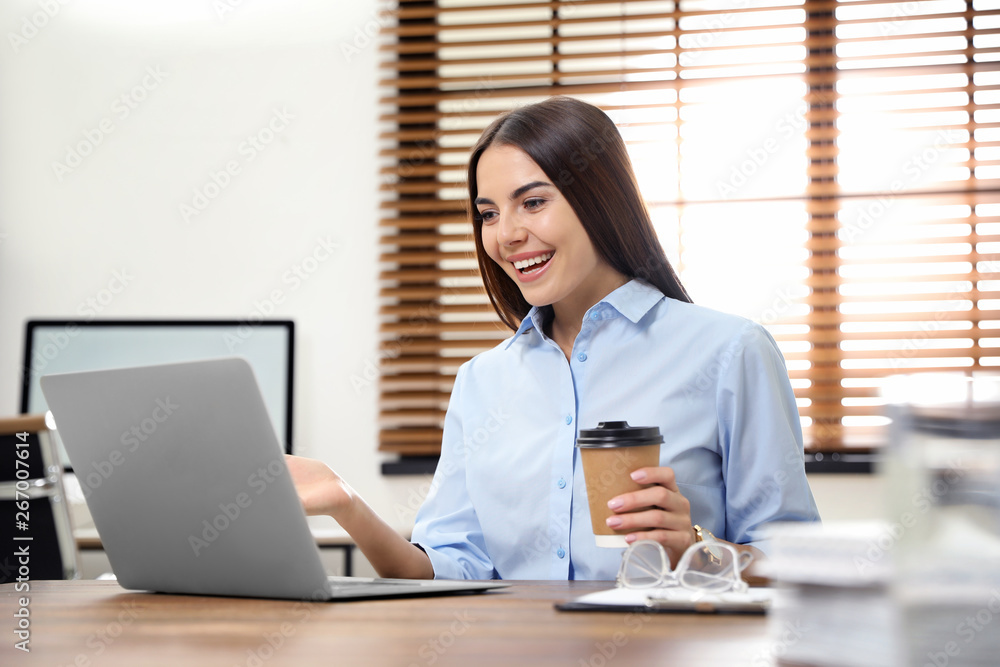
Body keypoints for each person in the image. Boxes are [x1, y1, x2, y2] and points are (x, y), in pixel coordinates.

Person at [287, 96, 820, 581]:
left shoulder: (730, 352)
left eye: (533, 202)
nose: (506, 234)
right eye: (488, 213)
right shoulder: (482, 381)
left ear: (600, 198)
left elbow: (796, 564)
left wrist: (695, 548)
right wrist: (346, 503)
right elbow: (450, 572)